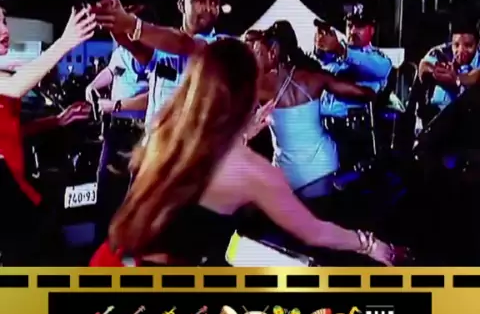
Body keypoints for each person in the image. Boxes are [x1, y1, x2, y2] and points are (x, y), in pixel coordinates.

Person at [90, 39, 409, 267]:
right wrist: (370, 245)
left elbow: (205, 167)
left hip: (110, 263)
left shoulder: (166, 134)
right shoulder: (250, 171)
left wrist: (241, 134)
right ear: (247, 94)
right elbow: (315, 232)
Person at [0, 6, 96, 263]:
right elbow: (15, 87)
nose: (4, 30)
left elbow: (12, 132)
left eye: (4, 21)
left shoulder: (5, 73)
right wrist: (65, 42)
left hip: (17, 190)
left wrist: (57, 120)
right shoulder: (8, 81)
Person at [252, 22, 376, 198]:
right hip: (322, 168)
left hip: (285, 175)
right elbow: (364, 94)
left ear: (273, 52)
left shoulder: (258, 86)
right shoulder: (313, 77)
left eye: (259, 52)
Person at [95, 0, 229, 134]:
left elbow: (185, 45)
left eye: (214, 2)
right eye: (200, 1)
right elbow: (136, 48)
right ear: (181, 5)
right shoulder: (164, 43)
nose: (208, 8)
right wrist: (112, 20)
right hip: (156, 142)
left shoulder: (220, 45)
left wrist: (131, 24)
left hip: (194, 144)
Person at [85, 21, 150, 245]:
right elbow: (111, 71)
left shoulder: (153, 55)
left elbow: (154, 96)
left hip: (140, 132)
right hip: (116, 130)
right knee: (105, 192)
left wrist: (115, 105)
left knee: (135, 197)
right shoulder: (121, 52)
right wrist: (92, 86)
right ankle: (104, 250)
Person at [315, 6, 393, 169]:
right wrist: (320, 48)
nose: (352, 31)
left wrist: (340, 50)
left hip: (352, 136)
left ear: (371, 30)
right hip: (321, 131)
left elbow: (376, 67)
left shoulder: (379, 59)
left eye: (360, 27)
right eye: (350, 25)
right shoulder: (333, 57)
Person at [418, 18, 480, 121]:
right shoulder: (441, 51)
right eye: (456, 45)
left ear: (477, 44)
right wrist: (435, 72)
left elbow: (475, 76)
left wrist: (456, 78)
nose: (461, 51)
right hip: (438, 116)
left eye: (468, 45)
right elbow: (424, 65)